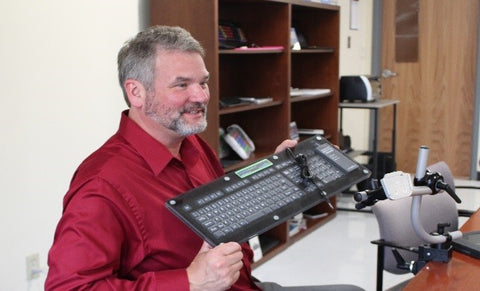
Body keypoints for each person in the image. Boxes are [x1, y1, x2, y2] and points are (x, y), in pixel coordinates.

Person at [46, 25, 364, 291]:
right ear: (136, 92)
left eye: (203, 82)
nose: (200, 96)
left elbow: (222, 213)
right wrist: (188, 280)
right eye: (181, 85)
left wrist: (277, 178)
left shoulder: (192, 145)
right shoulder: (102, 184)